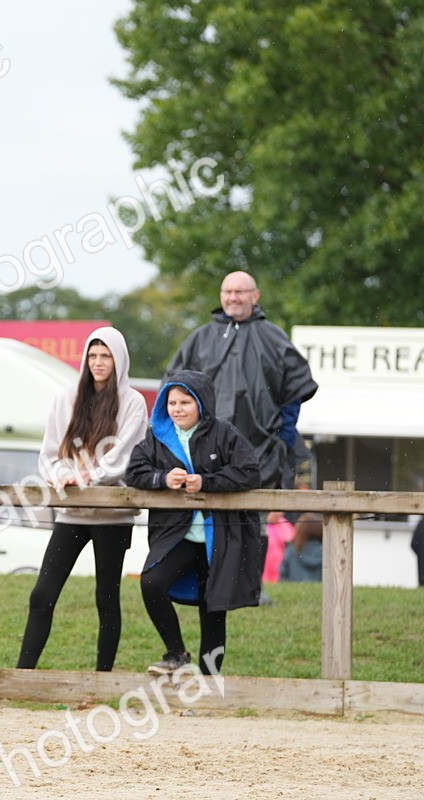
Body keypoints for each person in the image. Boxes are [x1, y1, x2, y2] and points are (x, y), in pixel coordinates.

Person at [15, 327, 148, 672]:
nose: (98, 362)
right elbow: (49, 453)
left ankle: (102, 676)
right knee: (41, 595)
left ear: (118, 360)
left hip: (112, 515)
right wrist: (63, 477)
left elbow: (124, 454)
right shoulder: (66, 398)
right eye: (93, 355)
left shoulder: (132, 402)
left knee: (106, 598)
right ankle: (23, 674)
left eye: (106, 356)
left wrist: (89, 476)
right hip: (72, 513)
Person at [125, 370, 263, 677]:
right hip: (179, 536)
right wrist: (162, 478)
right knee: (151, 583)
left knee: (213, 611)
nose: (177, 409)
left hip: (221, 538)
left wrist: (207, 482)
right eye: (172, 402)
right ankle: (175, 654)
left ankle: (209, 683)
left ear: (201, 403)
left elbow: (250, 472)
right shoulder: (157, 435)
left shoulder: (225, 433)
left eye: (185, 402)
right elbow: (133, 473)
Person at [166, 271, 318, 491]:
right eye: (227, 292)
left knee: (253, 521)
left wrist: (283, 433)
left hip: (263, 452)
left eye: (239, 292)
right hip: (206, 453)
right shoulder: (200, 339)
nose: (233, 297)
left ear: (254, 296)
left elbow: (296, 385)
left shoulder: (273, 337)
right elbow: (174, 389)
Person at [279, 513, 323, 582]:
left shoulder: (291, 552)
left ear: (300, 530)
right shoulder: (328, 554)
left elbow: (282, 578)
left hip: (293, 591)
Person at [263, 510, 295, 583]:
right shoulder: (262, 524)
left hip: (280, 560)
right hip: (267, 560)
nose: (277, 513)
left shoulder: (285, 524)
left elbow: (291, 540)